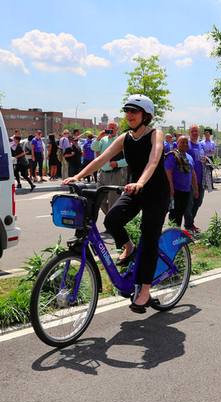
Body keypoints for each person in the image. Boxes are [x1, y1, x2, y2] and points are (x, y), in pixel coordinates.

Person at [63, 94, 170, 313]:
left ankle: (145, 291)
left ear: (146, 115)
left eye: (134, 111)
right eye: (127, 111)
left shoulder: (155, 134)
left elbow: (154, 159)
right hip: (135, 189)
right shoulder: (125, 138)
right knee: (112, 220)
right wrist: (78, 176)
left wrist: (140, 182)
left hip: (156, 192)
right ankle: (129, 247)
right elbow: (100, 159)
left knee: (149, 238)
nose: (129, 115)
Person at [92, 122, 128, 214]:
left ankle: (111, 224)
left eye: (113, 127)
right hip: (103, 173)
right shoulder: (103, 140)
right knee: (99, 200)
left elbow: (128, 159)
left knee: (113, 201)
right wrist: (99, 137)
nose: (111, 129)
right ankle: (111, 219)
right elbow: (94, 148)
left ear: (117, 129)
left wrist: (117, 163)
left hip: (115, 174)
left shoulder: (121, 141)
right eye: (109, 127)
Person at [164, 135, 199, 227]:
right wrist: (171, 188)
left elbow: (193, 174)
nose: (185, 144)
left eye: (186, 142)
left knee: (181, 213)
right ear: (177, 143)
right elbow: (168, 172)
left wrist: (196, 189)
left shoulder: (189, 157)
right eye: (182, 142)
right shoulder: (173, 156)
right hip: (175, 191)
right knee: (174, 215)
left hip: (186, 191)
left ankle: (177, 234)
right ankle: (172, 236)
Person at [183, 124, 206, 234]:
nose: (194, 133)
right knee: (189, 204)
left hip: (201, 179)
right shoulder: (187, 145)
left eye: (196, 131)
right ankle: (188, 225)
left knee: (198, 202)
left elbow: (202, 158)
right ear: (189, 132)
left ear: (199, 132)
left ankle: (191, 223)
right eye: (192, 131)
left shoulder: (201, 145)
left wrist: (205, 159)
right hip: (190, 180)